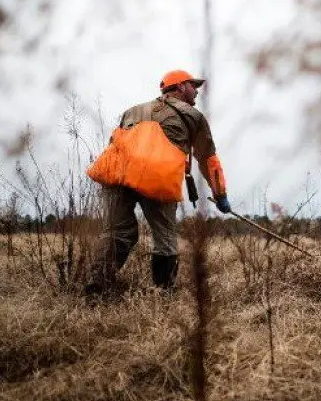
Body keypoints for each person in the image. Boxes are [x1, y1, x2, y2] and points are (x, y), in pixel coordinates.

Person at [84, 70, 232, 296]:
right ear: (180, 87)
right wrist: (220, 194)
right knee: (165, 239)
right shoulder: (193, 116)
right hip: (156, 177)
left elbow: (114, 142)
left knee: (118, 232)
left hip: (116, 174)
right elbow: (207, 159)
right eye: (193, 86)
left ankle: (97, 285)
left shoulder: (132, 110)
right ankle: (163, 293)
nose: (196, 91)